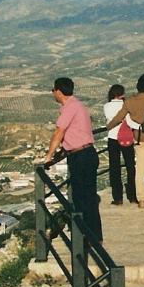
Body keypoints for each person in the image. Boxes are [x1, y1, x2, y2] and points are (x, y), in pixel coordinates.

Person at [43, 77, 102, 243]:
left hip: (80, 156)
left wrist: (49, 156)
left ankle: (86, 235)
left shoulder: (69, 108)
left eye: (53, 90)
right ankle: (94, 235)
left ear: (59, 91)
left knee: (81, 198)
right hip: (86, 153)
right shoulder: (78, 105)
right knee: (88, 197)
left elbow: (58, 132)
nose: (53, 93)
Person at [106, 74, 144, 208]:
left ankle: (142, 200)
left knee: (139, 170)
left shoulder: (129, 102)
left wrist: (109, 127)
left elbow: (118, 118)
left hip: (139, 139)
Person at [103, 84, 137, 205]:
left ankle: (118, 197)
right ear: (121, 94)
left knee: (114, 167)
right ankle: (133, 195)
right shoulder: (126, 105)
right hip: (127, 137)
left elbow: (108, 118)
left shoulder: (106, 106)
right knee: (130, 166)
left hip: (113, 138)